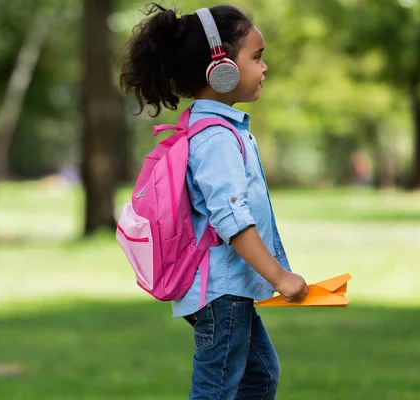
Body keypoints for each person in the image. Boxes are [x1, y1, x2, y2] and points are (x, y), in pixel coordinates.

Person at [120, 3, 309, 399]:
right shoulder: (217, 138)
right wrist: (279, 276)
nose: (264, 67)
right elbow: (230, 219)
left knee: (259, 377)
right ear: (220, 70)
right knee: (216, 391)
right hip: (220, 294)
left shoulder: (208, 128)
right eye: (256, 57)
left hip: (226, 291)